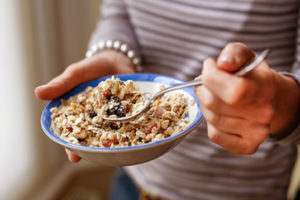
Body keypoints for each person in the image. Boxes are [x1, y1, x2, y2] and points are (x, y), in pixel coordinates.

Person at [35, 0, 300, 199]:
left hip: (242, 188)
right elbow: (119, 10)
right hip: (134, 179)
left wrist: (285, 104)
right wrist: (113, 51)